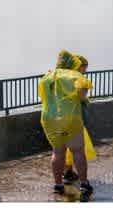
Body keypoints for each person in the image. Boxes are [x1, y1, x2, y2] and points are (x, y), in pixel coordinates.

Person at [38, 50, 94, 198]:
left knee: (58, 152)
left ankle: (58, 185)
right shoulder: (74, 76)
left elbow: (43, 97)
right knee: (77, 150)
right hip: (70, 118)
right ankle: (84, 184)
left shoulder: (47, 77)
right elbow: (82, 95)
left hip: (50, 119)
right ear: (72, 64)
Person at [63, 54, 96, 184]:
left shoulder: (63, 78)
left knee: (65, 147)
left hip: (61, 117)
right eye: (84, 68)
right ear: (79, 66)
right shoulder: (76, 78)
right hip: (74, 117)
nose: (85, 71)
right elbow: (80, 97)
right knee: (77, 149)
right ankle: (83, 182)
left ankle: (68, 172)